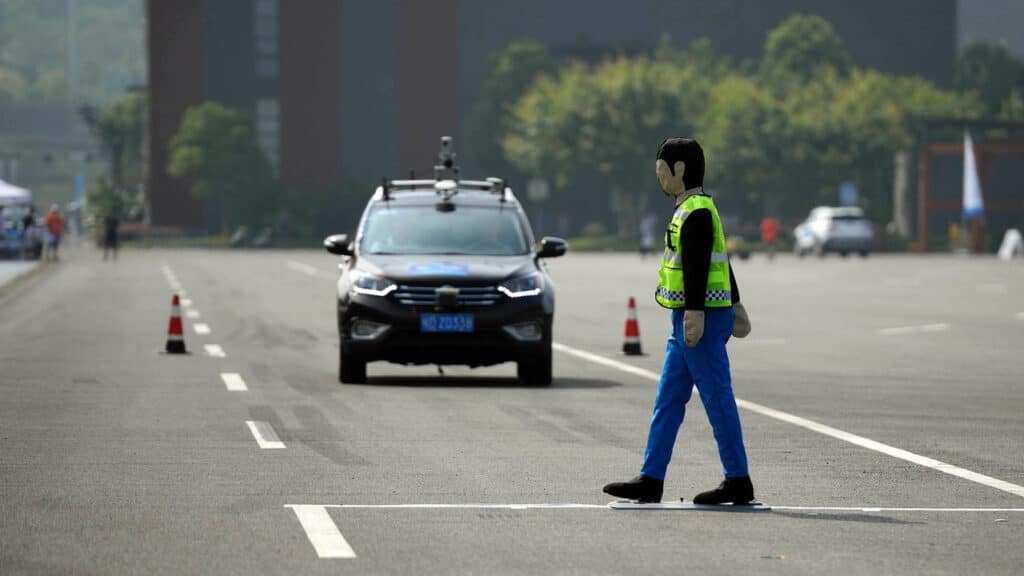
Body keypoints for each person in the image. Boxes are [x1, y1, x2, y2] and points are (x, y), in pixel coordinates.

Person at [603, 137, 755, 505]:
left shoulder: (697, 210)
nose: (659, 179)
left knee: (718, 399)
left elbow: (701, 264)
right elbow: (719, 259)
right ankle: (651, 478)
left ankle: (738, 480)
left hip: (698, 319)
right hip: (687, 319)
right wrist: (734, 302)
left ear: (680, 170)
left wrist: (696, 313)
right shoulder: (689, 208)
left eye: (662, 172)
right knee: (668, 399)